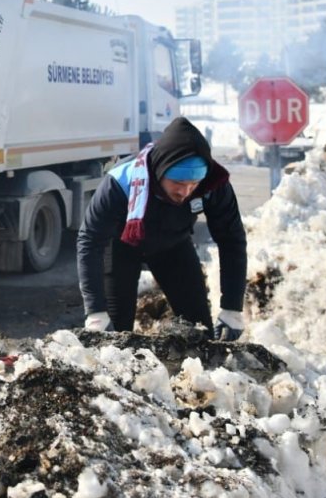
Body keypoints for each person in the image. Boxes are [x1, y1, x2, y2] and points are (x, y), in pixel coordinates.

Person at [76, 116, 247, 340]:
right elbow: (89, 242)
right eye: (178, 183)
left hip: (173, 245)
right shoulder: (120, 183)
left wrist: (232, 307)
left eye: (192, 185)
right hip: (121, 246)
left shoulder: (213, 185)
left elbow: (232, 240)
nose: (185, 192)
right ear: (160, 171)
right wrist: (96, 311)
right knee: (113, 337)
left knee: (199, 332)